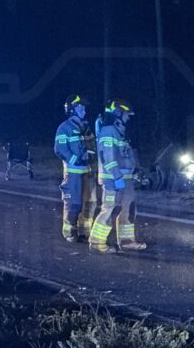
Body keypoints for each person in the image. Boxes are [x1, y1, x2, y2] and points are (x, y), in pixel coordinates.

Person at [89, 99, 146, 253]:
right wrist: (116, 177)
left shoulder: (120, 131)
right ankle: (96, 242)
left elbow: (127, 156)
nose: (128, 117)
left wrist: (136, 171)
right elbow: (108, 157)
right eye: (127, 114)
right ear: (118, 113)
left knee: (129, 209)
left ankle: (127, 241)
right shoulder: (108, 131)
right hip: (113, 179)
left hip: (126, 180)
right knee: (110, 210)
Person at [53, 94, 97, 242]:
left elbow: (92, 146)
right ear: (72, 110)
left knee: (90, 203)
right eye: (80, 107)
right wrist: (75, 159)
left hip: (88, 171)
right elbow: (60, 149)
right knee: (74, 203)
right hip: (73, 172)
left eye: (84, 107)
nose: (84, 110)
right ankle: (70, 231)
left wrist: (91, 155)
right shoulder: (64, 128)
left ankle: (84, 232)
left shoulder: (86, 127)